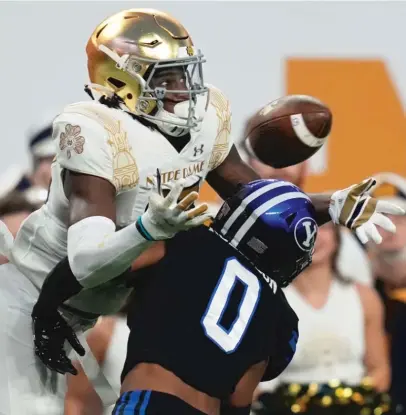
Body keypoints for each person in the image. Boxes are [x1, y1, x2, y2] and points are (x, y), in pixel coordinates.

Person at [0, 7, 399, 414]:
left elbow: (253, 197)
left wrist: (329, 204)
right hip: (34, 293)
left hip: (90, 303)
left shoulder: (204, 127)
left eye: (185, 73)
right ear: (120, 82)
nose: (183, 89)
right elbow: (84, 259)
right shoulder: (96, 130)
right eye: (166, 77)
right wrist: (145, 228)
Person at [38, 179, 319, 415]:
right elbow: (239, 399)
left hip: (152, 401)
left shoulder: (185, 238)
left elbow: (94, 266)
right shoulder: (282, 316)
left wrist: (47, 307)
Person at [253, 221, 391, 415]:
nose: (313, 236)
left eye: (323, 227)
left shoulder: (365, 297)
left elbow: (380, 371)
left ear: (337, 238)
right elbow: (251, 380)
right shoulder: (267, 301)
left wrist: (350, 403)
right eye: (303, 229)